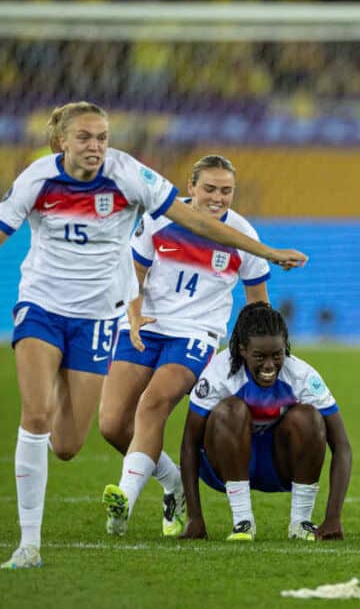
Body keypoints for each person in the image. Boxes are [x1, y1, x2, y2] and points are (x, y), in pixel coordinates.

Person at [0, 102, 306, 569]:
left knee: (83, 437)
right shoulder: (39, 180)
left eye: (102, 137)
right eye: (85, 137)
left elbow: (208, 236)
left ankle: (155, 487)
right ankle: (35, 542)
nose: (95, 146)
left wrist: (266, 253)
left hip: (125, 324)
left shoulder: (131, 176)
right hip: (55, 309)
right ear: (62, 141)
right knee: (59, 419)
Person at [98, 154, 272, 538]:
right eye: (209, 188)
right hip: (145, 326)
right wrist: (133, 314)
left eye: (226, 191)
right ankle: (172, 481)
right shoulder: (159, 219)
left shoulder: (242, 236)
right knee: (112, 425)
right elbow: (135, 272)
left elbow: (258, 304)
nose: (217, 198)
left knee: (152, 404)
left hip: (196, 334)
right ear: (190, 187)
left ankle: (123, 500)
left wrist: (256, 356)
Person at [178, 302, 351, 541]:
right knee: (232, 410)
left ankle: (301, 523)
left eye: (277, 355)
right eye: (259, 356)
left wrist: (333, 517)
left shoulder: (302, 375)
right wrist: (194, 518)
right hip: (222, 467)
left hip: (278, 468)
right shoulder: (218, 374)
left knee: (309, 417)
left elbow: (341, 446)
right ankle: (243, 522)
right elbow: (189, 443)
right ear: (243, 350)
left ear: (285, 347)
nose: (269, 365)